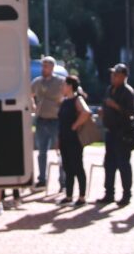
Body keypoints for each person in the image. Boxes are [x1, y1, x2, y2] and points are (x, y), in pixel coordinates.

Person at [98, 63, 134, 206]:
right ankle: (109, 193)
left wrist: (116, 106)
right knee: (109, 164)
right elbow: (105, 105)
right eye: (112, 74)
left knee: (123, 164)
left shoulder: (128, 92)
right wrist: (103, 112)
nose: (113, 77)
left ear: (123, 76)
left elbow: (131, 113)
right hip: (110, 131)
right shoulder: (110, 89)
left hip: (123, 133)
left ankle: (126, 194)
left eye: (116, 75)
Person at [55, 75, 93, 206]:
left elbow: (86, 112)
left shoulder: (77, 99)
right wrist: (59, 139)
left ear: (70, 86)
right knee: (67, 167)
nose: (62, 87)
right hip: (64, 138)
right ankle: (69, 195)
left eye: (64, 85)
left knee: (77, 166)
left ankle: (82, 197)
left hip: (74, 139)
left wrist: (75, 126)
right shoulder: (64, 101)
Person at [30, 55, 62, 189]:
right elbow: (29, 94)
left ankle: (63, 181)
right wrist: (33, 105)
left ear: (52, 67)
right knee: (41, 152)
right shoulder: (37, 82)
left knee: (60, 151)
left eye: (46, 66)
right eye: (43, 66)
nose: (44, 69)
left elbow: (69, 94)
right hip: (41, 120)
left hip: (55, 121)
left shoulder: (60, 82)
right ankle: (42, 179)